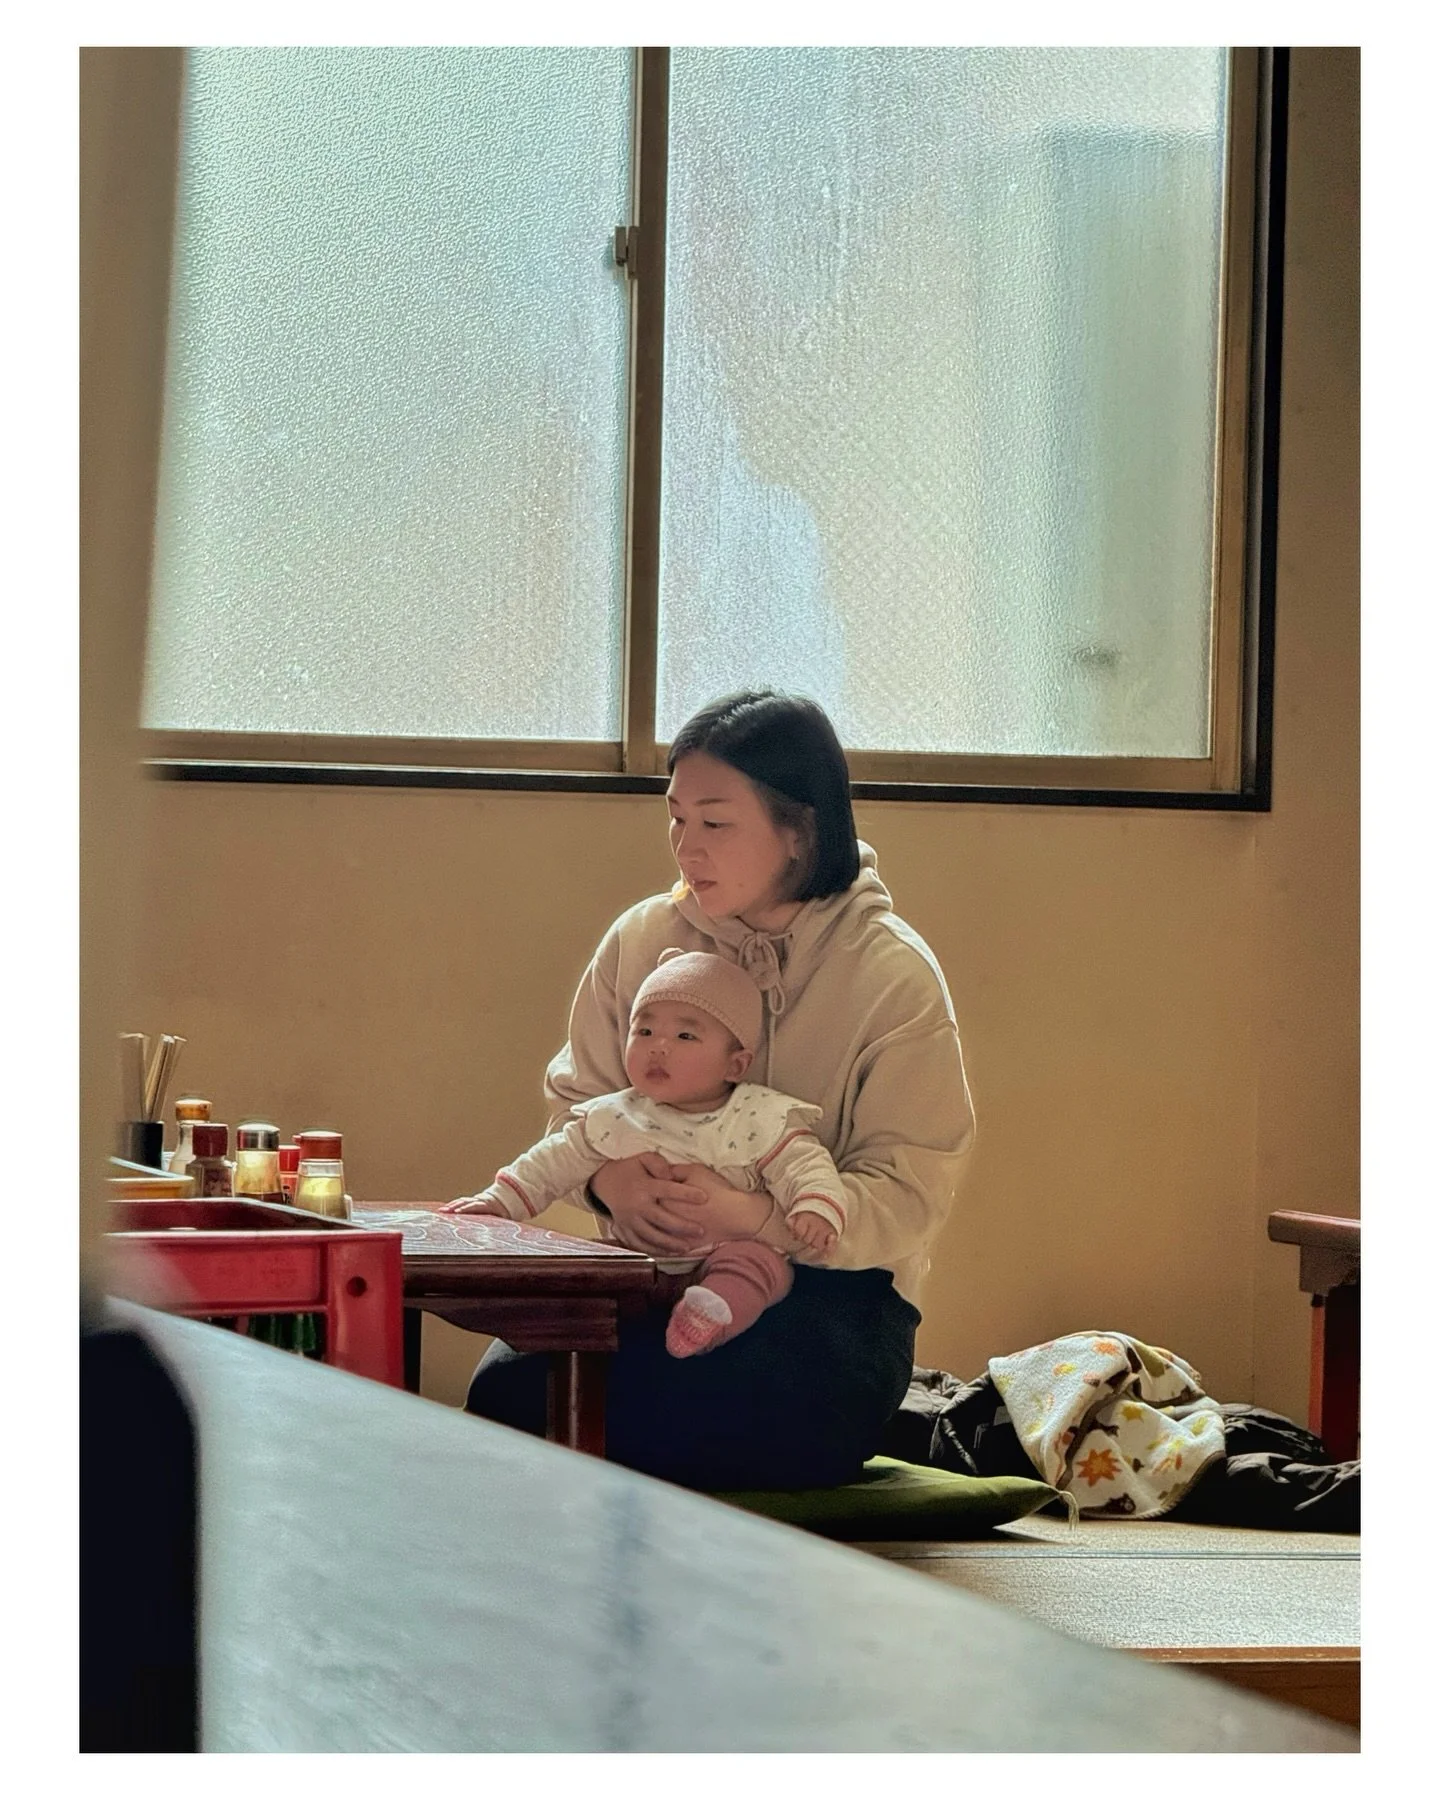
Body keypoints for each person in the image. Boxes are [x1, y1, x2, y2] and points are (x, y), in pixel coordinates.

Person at [464, 690, 976, 1490]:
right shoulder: (643, 939)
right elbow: (580, 1101)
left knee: (742, 1421)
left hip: (829, 1299)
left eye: (714, 823)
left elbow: (911, 1190)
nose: (685, 848)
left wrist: (764, 1220)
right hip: (645, 1277)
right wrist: (614, 1184)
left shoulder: (891, 975)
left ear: (798, 828)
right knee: (506, 1400)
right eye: (674, 819)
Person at [442, 950, 849, 1357]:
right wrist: (499, 1201)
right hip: (637, 1257)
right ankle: (572, 1328)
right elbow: (551, 1162)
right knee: (591, 1266)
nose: (659, 1048)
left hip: (726, 1252)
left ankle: (709, 1317)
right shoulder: (615, 1115)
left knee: (763, 1268)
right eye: (645, 1032)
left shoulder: (758, 1115)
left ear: (736, 1065)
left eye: (685, 1036)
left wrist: (815, 1205)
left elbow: (804, 1161)